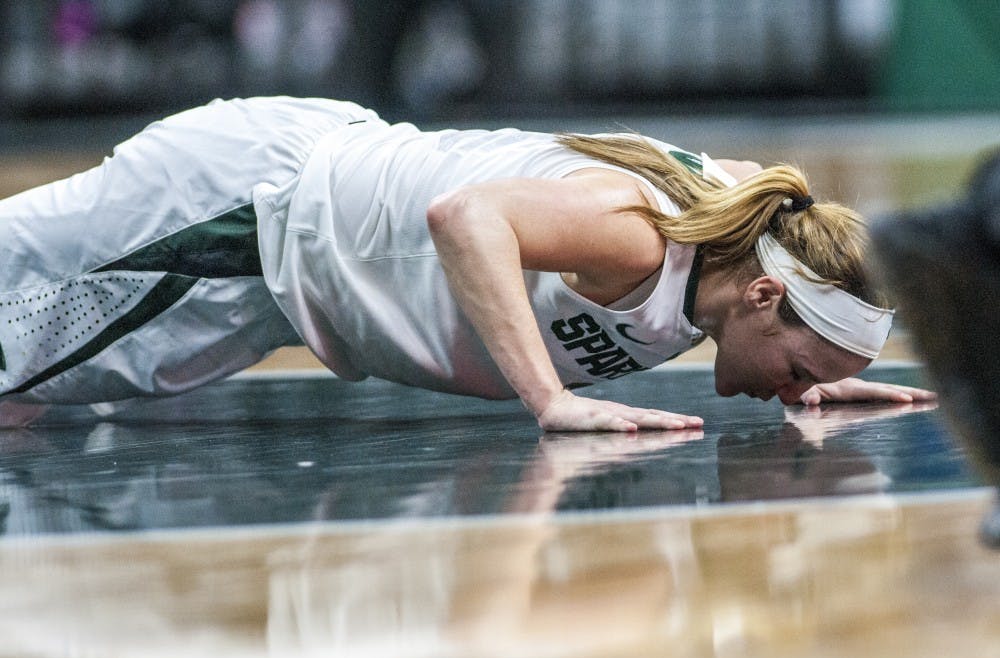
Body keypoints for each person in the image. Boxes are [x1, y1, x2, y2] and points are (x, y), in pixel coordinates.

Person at [0, 96, 934, 430]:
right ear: (763, 294)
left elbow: (802, 274)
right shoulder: (643, 237)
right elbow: (467, 214)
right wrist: (549, 398)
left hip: (282, 288)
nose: (792, 390)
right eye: (799, 368)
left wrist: (811, 376)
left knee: (16, 399)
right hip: (251, 206)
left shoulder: (747, 226)